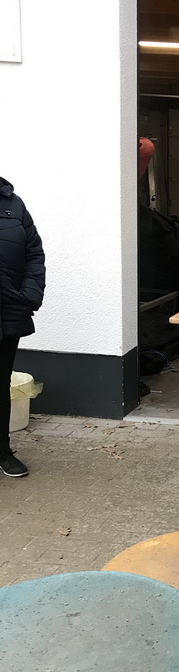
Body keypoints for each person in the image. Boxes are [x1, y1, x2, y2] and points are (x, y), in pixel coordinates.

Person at [0, 176, 45, 478]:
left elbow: (34, 254)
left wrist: (28, 295)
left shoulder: (12, 205)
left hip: (7, 312)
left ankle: (2, 450)